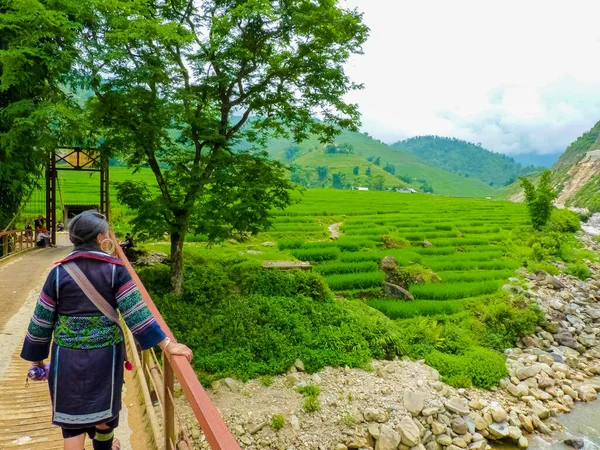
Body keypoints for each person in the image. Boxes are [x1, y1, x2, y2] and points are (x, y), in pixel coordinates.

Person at [21, 210, 193, 450]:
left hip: (67, 356)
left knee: (72, 426)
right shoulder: (115, 270)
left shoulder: (58, 273)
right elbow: (136, 313)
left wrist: (37, 362)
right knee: (104, 418)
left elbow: (41, 320)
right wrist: (167, 344)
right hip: (104, 357)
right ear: (102, 237)